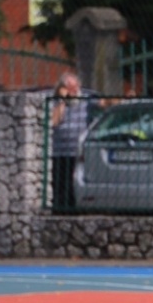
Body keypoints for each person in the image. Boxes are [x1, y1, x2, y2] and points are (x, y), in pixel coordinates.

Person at [49, 72, 89, 208]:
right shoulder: (55, 102)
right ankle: (60, 209)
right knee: (60, 185)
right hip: (59, 152)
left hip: (78, 152)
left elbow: (104, 104)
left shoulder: (86, 100)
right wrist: (62, 100)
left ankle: (74, 209)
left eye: (75, 87)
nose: (73, 91)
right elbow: (54, 122)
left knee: (74, 184)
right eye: (69, 88)